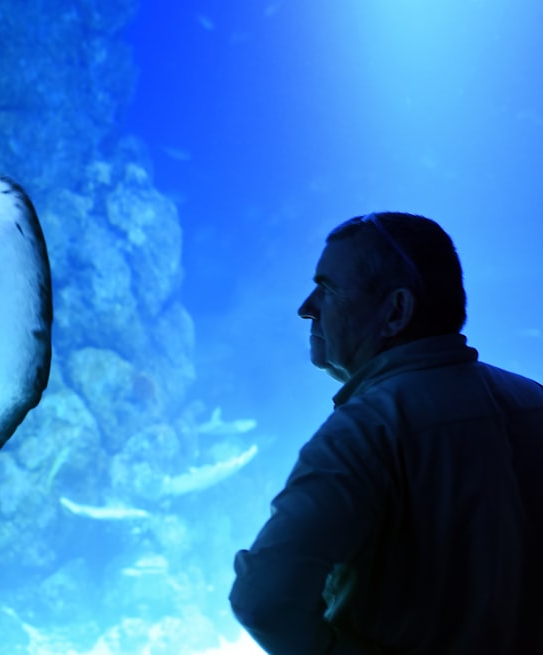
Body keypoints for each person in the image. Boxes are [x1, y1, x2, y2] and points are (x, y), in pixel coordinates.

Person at [229, 212, 543, 654]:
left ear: (395, 311)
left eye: (328, 290)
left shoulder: (364, 432)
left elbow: (264, 600)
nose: (306, 307)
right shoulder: (535, 402)